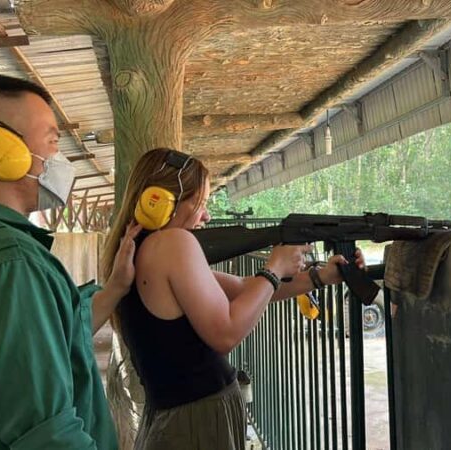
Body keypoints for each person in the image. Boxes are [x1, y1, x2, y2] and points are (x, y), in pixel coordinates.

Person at [101, 147, 364, 450]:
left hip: (177, 418)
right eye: (199, 203)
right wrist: (274, 268)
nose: (206, 215)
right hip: (196, 422)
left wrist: (319, 277)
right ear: (162, 201)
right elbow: (225, 333)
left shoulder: (143, 247)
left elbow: (241, 288)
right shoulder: (172, 242)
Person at [0, 74, 140, 449]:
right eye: (51, 140)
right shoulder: (10, 264)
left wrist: (115, 287)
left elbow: (61, 334)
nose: (58, 158)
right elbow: (48, 436)